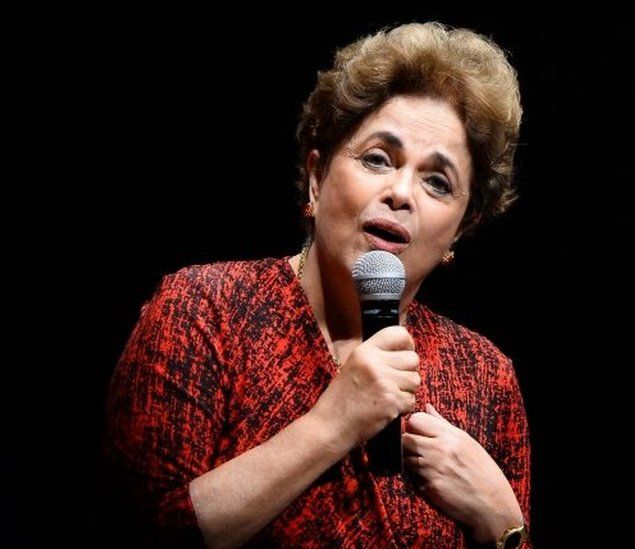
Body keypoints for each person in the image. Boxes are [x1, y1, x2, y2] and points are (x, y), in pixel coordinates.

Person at [104, 22, 530, 548]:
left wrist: (500, 518)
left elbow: (510, 532)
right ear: (316, 175)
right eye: (378, 158)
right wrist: (331, 425)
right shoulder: (201, 309)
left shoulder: (486, 376)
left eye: (437, 181)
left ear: (460, 230)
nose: (401, 193)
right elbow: (142, 530)